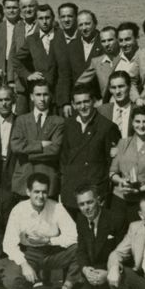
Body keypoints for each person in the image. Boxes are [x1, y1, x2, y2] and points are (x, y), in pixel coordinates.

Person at [0, 173, 78, 289]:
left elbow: (74, 235)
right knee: (13, 282)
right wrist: (24, 265)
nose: (41, 196)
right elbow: (9, 243)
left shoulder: (56, 207)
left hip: (53, 252)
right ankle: (26, 284)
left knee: (80, 249)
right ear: (28, 192)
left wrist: (49, 240)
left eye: (44, 192)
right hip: (30, 253)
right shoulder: (19, 210)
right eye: (36, 192)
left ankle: (66, 288)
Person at [59, 85, 120, 215]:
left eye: (86, 101)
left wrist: (102, 191)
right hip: (71, 193)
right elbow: (64, 158)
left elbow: (112, 164)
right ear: (73, 105)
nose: (83, 106)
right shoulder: (68, 125)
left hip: (94, 194)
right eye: (78, 103)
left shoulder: (107, 127)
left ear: (94, 102)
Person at [69, 186, 126, 289]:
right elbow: (81, 250)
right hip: (94, 270)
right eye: (82, 204)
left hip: (112, 269)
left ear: (99, 201)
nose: (86, 208)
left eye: (90, 202)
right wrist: (85, 269)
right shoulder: (81, 220)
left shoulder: (116, 219)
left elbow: (126, 254)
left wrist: (108, 273)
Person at [108, 104, 145, 224]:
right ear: (132, 123)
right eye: (137, 121)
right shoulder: (123, 143)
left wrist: (140, 189)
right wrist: (121, 181)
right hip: (119, 199)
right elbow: (112, 172)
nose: (141, 125)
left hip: (143, 201)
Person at [9, 79, 63, 196]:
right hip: (23, 180)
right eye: (38, 95)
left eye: (45, 94)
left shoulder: (58, 121)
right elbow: (15, 146)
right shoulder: (21, 120)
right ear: (31, 97)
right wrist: (41, 144)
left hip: (48, 180)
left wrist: (25, 154)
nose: (42, 99)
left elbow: (54, 150)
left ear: (51, 96)